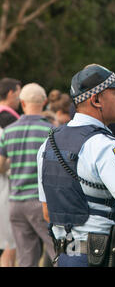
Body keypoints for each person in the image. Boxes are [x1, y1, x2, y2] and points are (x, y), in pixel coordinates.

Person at [37, 64, 115, 267]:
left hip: (65, 257)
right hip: (104, 258)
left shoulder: (48, 144)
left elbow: (47, 211)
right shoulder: (106, 146)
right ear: (96, 100)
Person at [0, 83, 56, 267]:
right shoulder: (50, 131)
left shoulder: (8, 131)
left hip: (15, 202)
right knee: (58, 252)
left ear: (22, 103)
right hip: (40, 202)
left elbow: (0, 166)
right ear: (45, 102)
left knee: (26, 259)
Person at [0, 78, 21, 267]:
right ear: (10, 93)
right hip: (6, 186)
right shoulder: (9, 119)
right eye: (18, 92)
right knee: (10, 241)